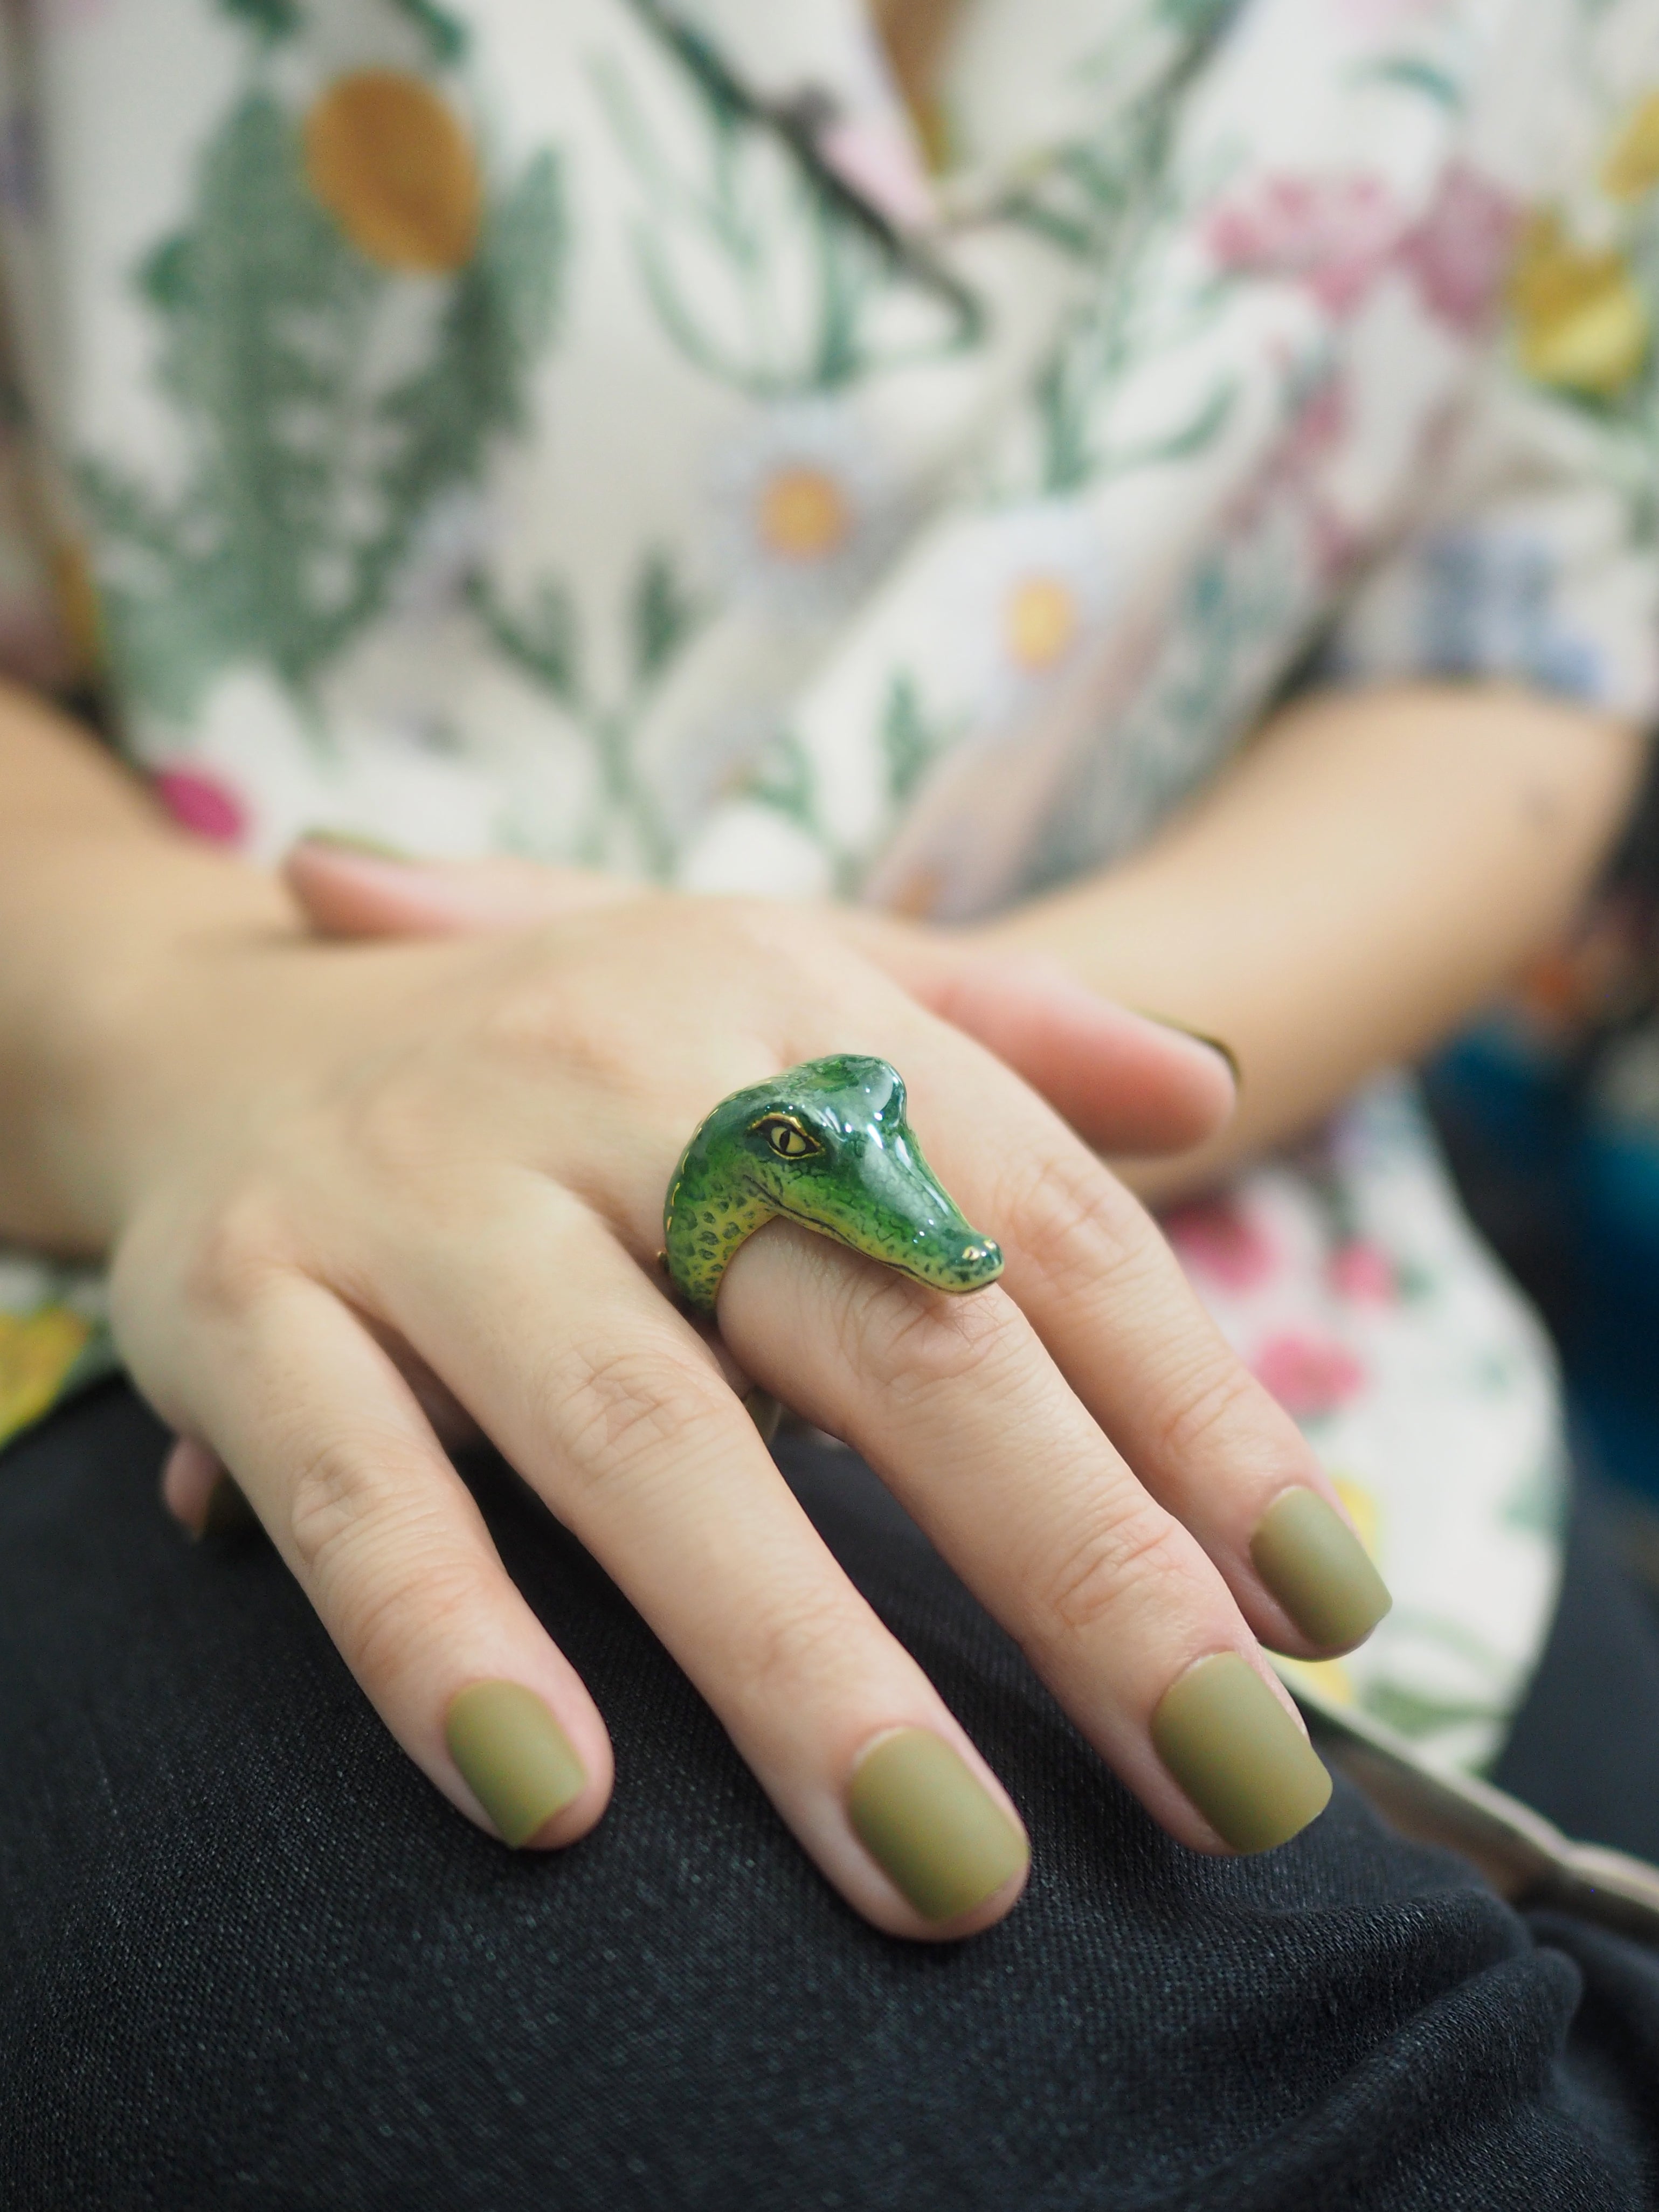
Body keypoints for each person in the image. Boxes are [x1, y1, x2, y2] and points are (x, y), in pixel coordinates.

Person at [3, 0, 1659, 2202]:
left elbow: (1508, 656)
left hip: (1264, 1275)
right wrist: (207, 1028)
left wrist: (888, 1064)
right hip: (194, 1228)